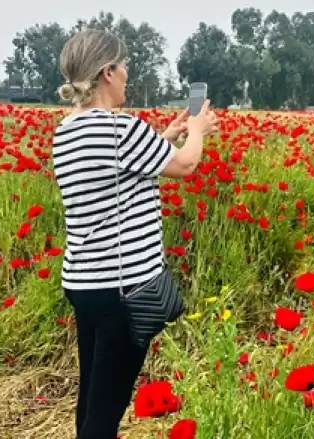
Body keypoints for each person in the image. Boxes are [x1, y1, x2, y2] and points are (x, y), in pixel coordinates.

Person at [51, 29, 218, 439]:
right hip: (122, 291)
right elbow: (185, 166)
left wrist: (165, 137)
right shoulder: (120, 128)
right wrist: (197, 129)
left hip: (84, 285)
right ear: (107, 72)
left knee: (93, 398)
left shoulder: (67, 131)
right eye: (124, 66)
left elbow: (116, 174)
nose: (127, 74)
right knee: (106, 413)